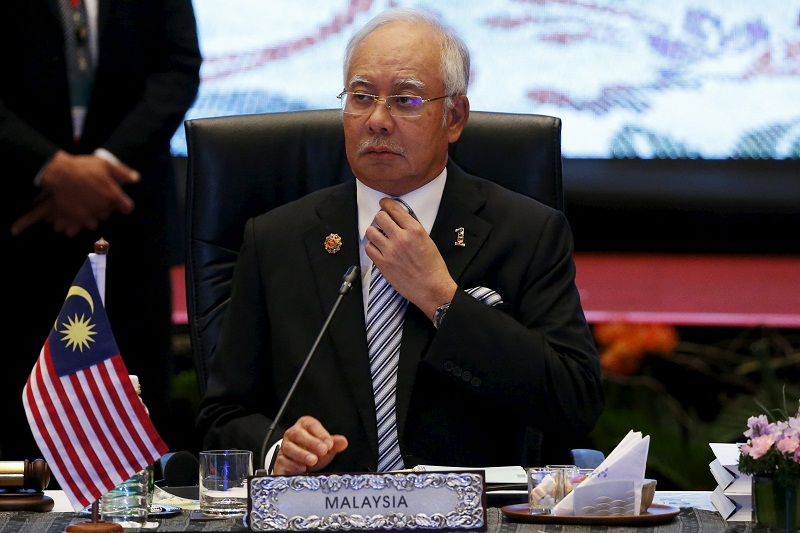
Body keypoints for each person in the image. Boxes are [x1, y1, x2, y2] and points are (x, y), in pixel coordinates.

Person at [197, 7, 603, 475]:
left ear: (455, 117)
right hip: (325, 516)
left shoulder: (527, 233)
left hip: (472, 520)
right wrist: (275, 451)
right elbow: (221, 418)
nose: (377, 120)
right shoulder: (276, 240)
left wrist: (442, 299)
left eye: (406, 100)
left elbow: (575, 402)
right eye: (362, 97)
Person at [1, 0, 202, 470]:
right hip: (20, 223)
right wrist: (51, 169)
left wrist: (102, 170)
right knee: (21, 414)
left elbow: (178, 70)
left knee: (134, 403)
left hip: (130, 220)